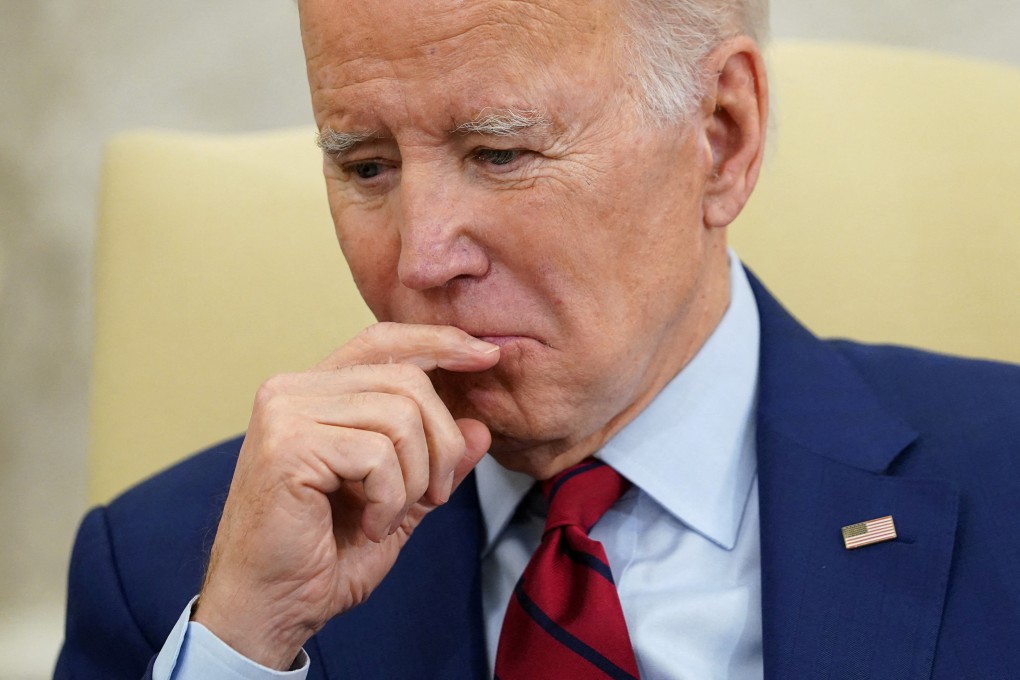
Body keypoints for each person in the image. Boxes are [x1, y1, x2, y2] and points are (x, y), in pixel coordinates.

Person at [56, 0, 1020, 678]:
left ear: (721, 136)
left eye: (500, 153)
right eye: (367, 166)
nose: (422, 258)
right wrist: (243, 651)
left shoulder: (1003, 479)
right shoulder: (175, 588)